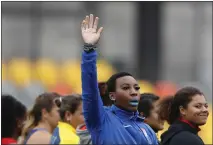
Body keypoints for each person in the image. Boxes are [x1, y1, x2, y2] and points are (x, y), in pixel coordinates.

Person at [80, 14, 158, 145]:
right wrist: (89, 49)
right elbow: (89, 88)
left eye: (136, 88)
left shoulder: (147, 129)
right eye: (126, 88)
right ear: (112, 96)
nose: (134, 92)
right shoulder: (102, 119)